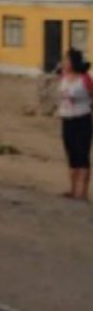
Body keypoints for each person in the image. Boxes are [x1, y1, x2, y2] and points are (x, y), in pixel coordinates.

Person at [57, 48, 92, 200]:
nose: (64, 62)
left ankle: (82, 192)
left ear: (73, 62)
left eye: (67, 59)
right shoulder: (63, 77)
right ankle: (72, 189)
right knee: (71, 154)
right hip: (67, 119)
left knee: (82, 155)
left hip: (82, 119)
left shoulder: (85, 79)